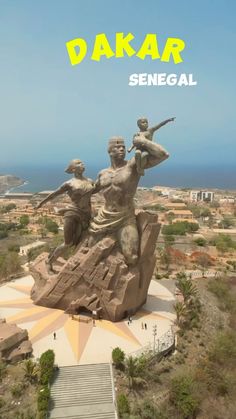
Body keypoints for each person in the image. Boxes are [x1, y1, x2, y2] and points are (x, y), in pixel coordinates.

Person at [89, 135, 169, 265]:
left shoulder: (133, 165)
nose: (122, 149)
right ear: (109, 151)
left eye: (123, 147)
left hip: (125, 218)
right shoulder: (102, 173)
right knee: (89, 252)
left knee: (131, 257)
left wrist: (144, 141)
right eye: (117, 147)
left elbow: (163, 155)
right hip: (103, 218)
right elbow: (91, 190)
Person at [35, 159, 95, 272]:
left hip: (86, 215)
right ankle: (50, 261)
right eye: (79, 163)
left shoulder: (90, 181)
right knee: (68, 243)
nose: (83, 164)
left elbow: (97, 191)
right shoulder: (69, 183)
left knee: (84, 241)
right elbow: (54, 194)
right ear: (73, 169)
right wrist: (41, 203)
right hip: (72, 213)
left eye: (82, 163)